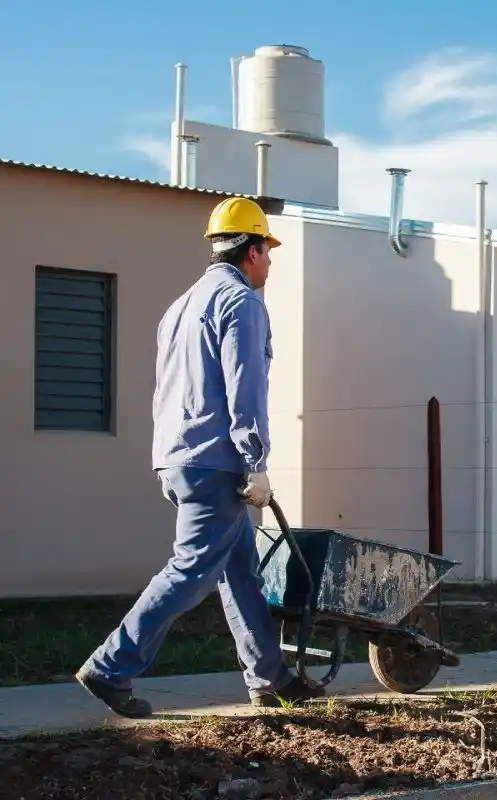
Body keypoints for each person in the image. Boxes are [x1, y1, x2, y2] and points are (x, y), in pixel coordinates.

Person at [75, 197, 324, 718]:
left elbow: (168, 386)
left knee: (240, 572)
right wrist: (255, 459)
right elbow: (246, 387)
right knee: (189, 569)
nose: (271, 263)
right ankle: (110, 666)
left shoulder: (183, 304)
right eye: (269, 251)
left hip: (178, 455)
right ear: (252, 250)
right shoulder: (241, 303)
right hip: (217, 461)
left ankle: (270, 678)